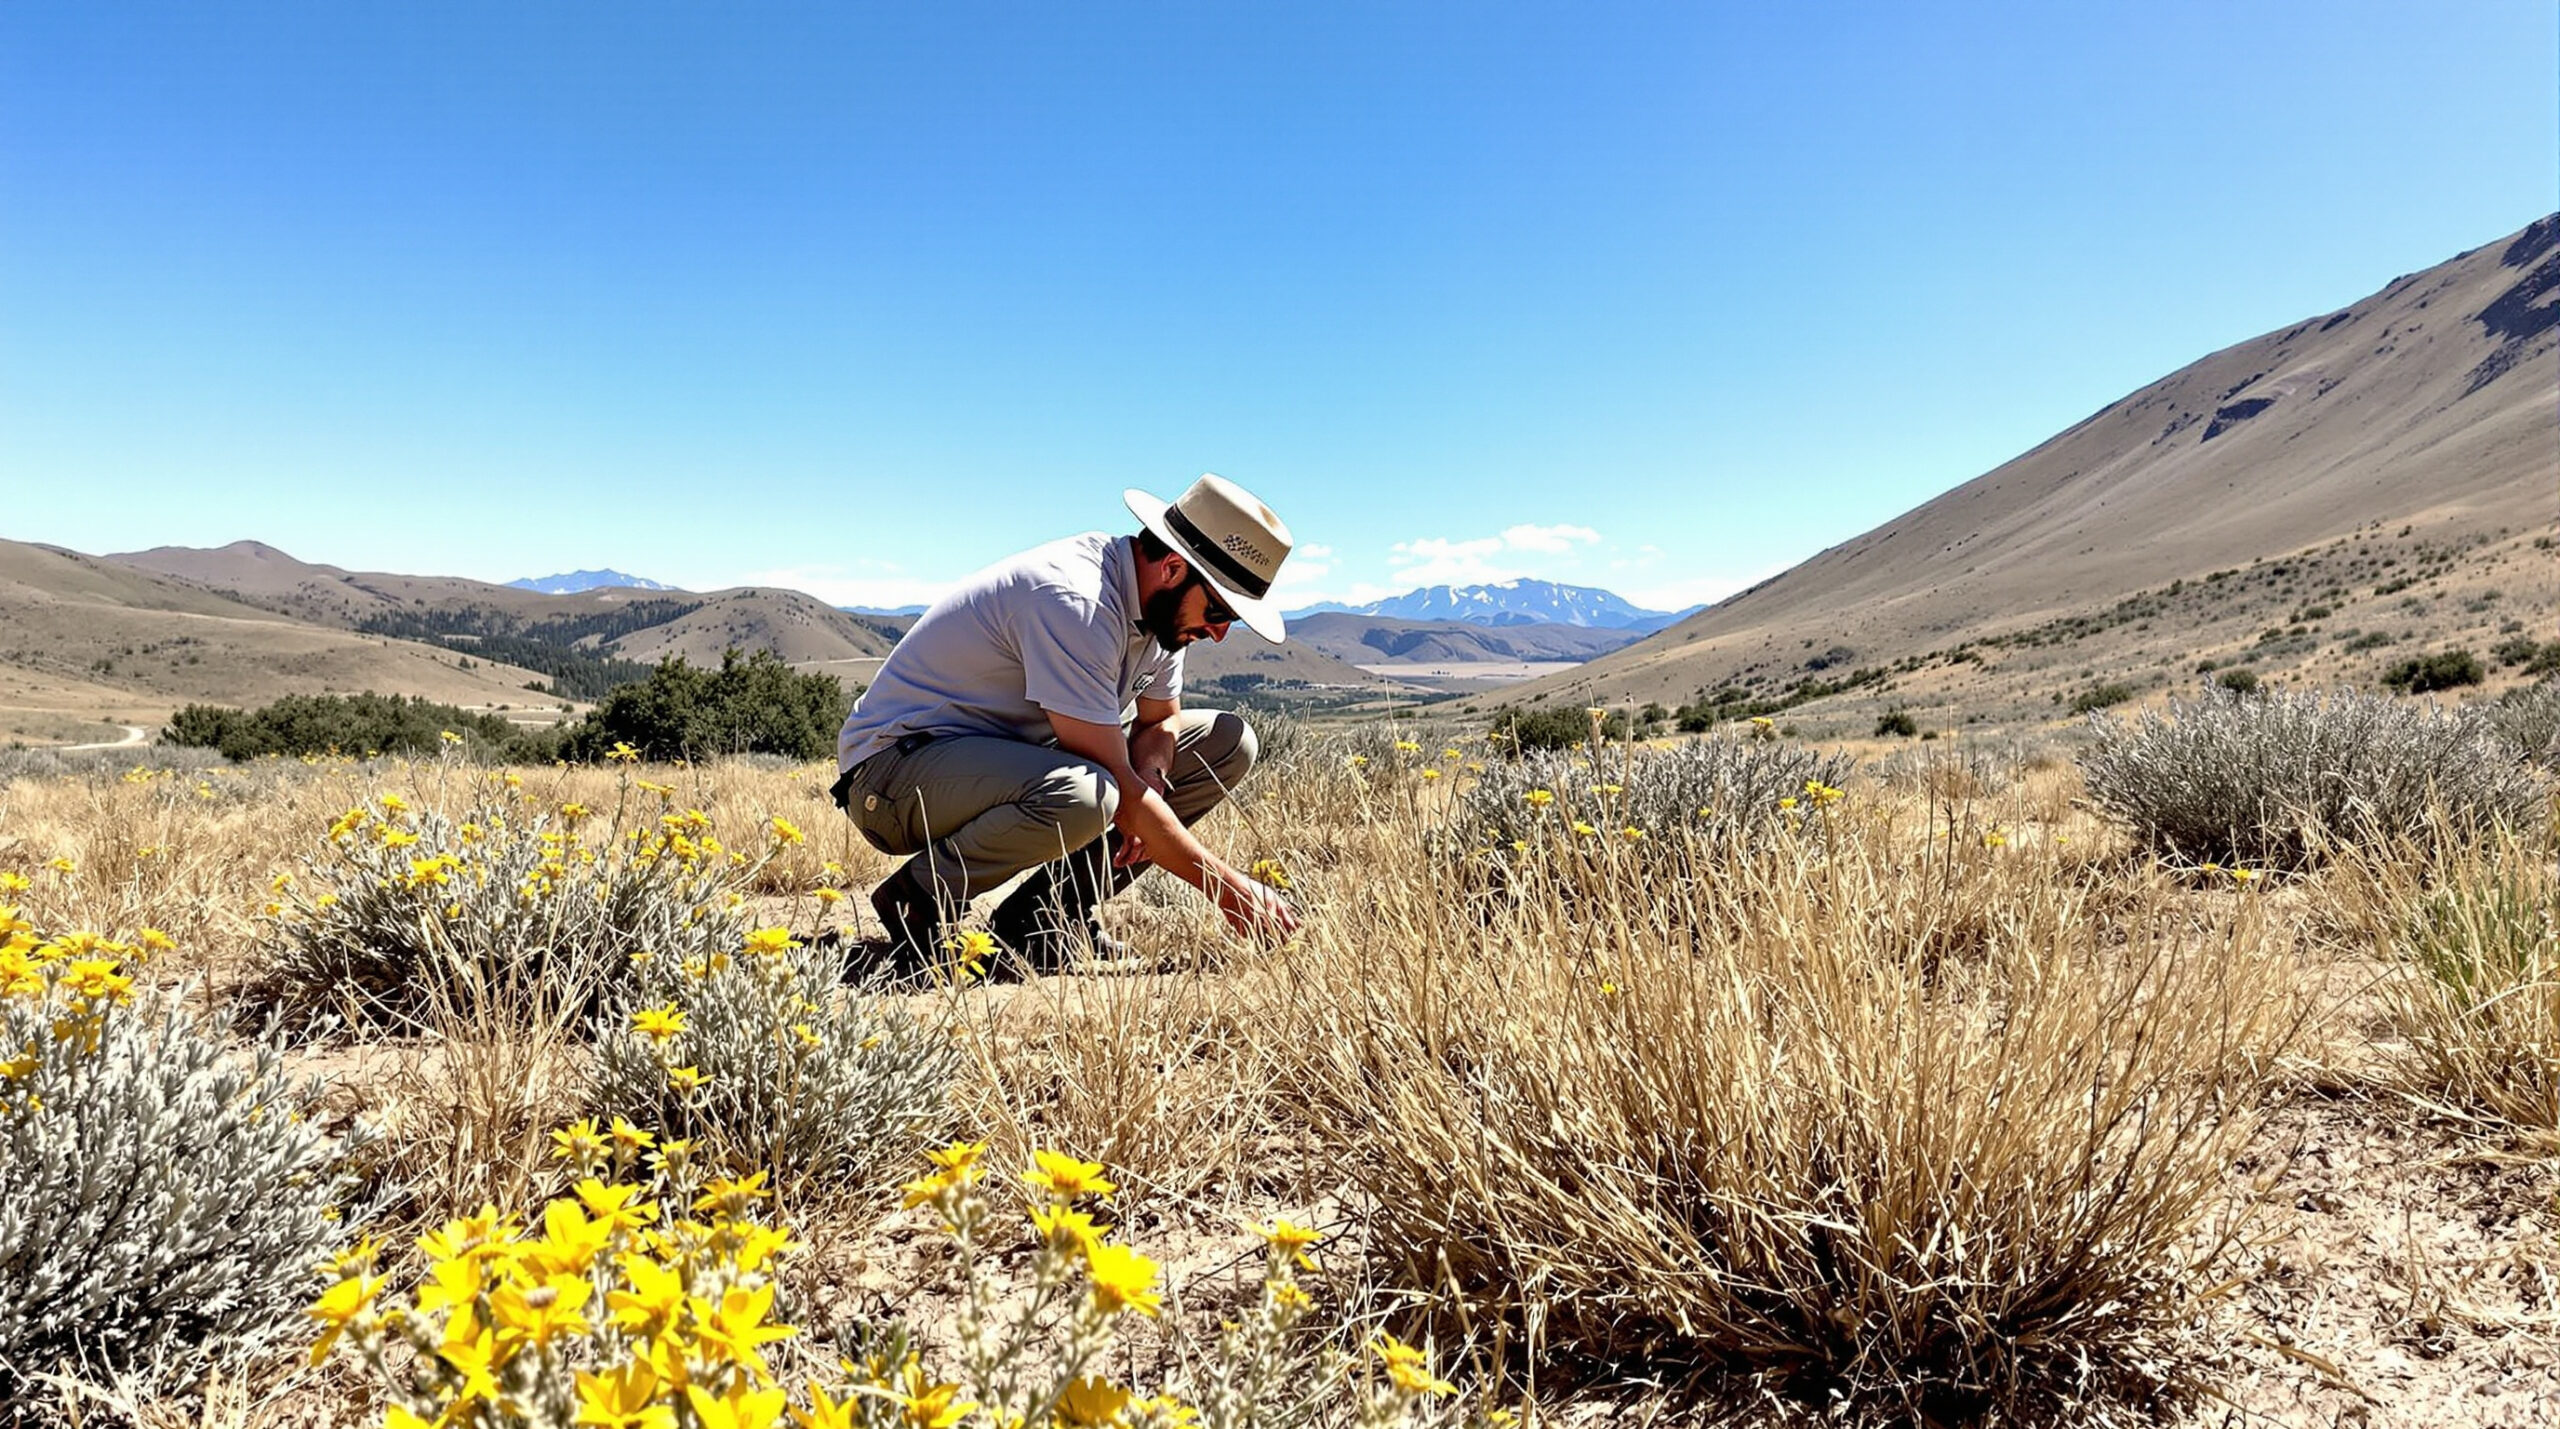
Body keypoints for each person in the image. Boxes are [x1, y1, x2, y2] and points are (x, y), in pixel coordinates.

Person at [830, 473, 1304, 981]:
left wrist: (1152, 778)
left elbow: (1162, 720)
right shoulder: (1076, 599)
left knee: (1228, 742)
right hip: (889, 779)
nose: (1219, 632)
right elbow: (1117, 786)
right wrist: (1229, 890)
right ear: (1172, 567)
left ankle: (1043, 918)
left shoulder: (1160, 612)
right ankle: (920, 899)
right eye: (1218, 610)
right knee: (1092, 794)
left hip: (990, 765)